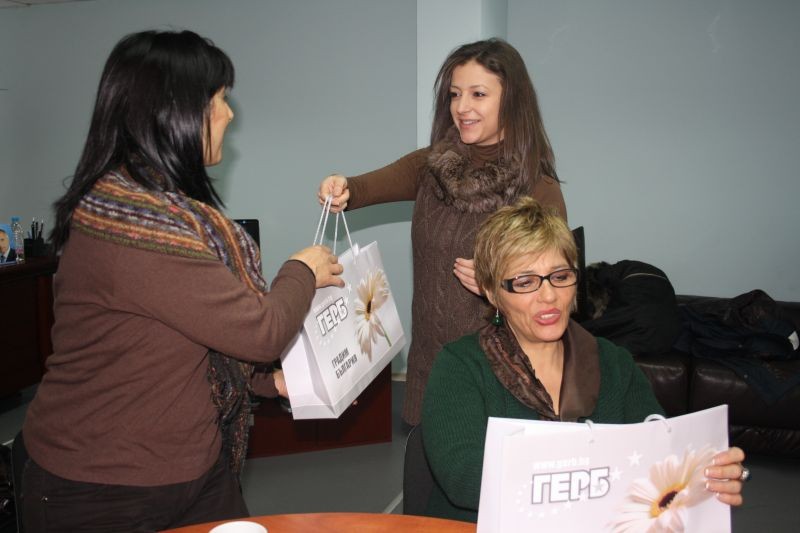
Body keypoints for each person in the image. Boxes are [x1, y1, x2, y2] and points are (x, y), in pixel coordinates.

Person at [20, 30, 343, 532]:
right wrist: (303, 270)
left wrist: (267, 382)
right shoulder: (134, 230)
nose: (229, 115)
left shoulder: (164, 215)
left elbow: (194, 332)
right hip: (100, 488)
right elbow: (260, 331)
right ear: (177, 113)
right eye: (220, 100)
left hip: (193, 469)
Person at [420, 197, 747, 522]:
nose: (549, 296)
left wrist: (705, 475)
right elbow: (463, 477)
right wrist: (601, 476)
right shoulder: (460, 365)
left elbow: (658, 457)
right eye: (525, 282)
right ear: (492, 293)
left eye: (560, 276)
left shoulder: (613, 363)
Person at [318, 38, 566, 425]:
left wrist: (498, 287)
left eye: (478, 94)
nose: (462, 107)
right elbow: (361, 188)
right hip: (430, 366)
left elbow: (557, 289)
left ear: (512, 100)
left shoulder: (536, 187)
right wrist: (341, 186)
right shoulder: (431, 165)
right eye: (455, 94)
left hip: (499, 377)